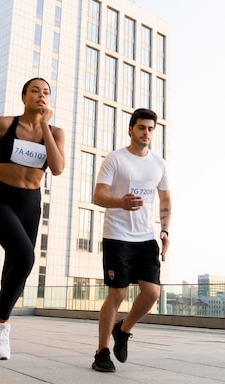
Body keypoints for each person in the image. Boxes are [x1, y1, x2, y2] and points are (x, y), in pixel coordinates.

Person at [0, 77, 65, 372]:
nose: (41, 96)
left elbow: (57, 169)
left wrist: (45, 125)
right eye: (35, 90)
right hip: (2, 201)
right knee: (26, 258)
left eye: (46, 92)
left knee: (13, 273)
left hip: (31, 206)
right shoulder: (4, 124)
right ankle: (3, 326)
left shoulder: (55, 132)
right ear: (24, 96)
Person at [91, 108, 171, 373]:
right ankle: (102, 352)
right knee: (118, 293)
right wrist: (120, 203)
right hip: (117, 235)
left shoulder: (159, 164)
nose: (146, 133)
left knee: (152, 293)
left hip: (146, 237)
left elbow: (165, 200)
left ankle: (122, 331)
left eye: (150, 129)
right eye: (141, 128)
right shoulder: (115, 159)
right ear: (130, 129)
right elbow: (98, 196)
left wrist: (165, 230)